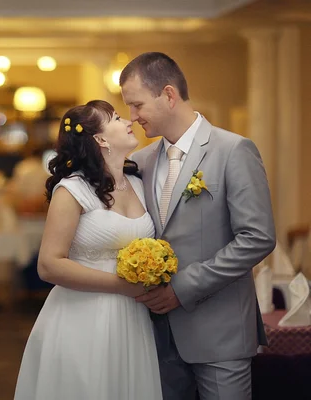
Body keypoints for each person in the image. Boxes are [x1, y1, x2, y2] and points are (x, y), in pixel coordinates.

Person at [122, 52, 276, 400]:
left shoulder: (233, 150)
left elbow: (258, 238)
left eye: (137, 105)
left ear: (169, 95)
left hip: (219, 334)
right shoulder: (140, 162)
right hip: (155, 337)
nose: (132, 117)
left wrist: (182, 288)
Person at [14, 100, 163, 400]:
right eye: (118, 118)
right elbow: (49, 265)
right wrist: (123, 287)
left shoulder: (139, 182)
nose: (129, 121)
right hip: (82, 318)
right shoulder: (72, 189)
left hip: (133, 318)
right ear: (100, 139)